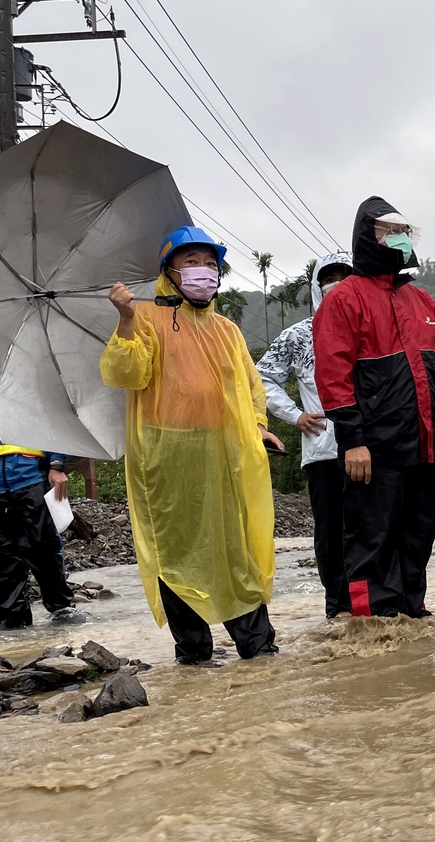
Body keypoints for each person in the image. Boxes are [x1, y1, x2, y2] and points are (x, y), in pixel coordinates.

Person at [101, 226, 281, 664]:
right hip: (165, 456)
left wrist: (258, 427)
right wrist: (125, 319)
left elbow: (249, 389)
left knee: (235, 546)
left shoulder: (227, 330)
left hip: (224, 454)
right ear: (170, 272)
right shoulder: (144, 317)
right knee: (175, 549)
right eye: (191, 262)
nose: (204, 271)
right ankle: (195, 653)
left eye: (210, 263)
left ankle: (258, 649)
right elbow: (126, 375)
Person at [313, 197, 435, 619]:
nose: (398, 240)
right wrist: (353, 440)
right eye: (388, 232)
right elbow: (333, 376)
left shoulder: (424, 301)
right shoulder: (343, 300)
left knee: (418, 534)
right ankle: (371, 624)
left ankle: (411, 616)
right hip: (373, 450)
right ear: (368, 237)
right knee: (370, 538)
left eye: (402, 232)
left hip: (423, 443)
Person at [257, 252, 354, 619]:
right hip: (324, 448)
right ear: (317, 286)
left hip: (376, 447)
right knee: (331, 533)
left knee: (375, 528)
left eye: (347, 274)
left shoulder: (373, 329)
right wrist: (295, 414)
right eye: (330, 276)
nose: (339, 282)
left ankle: (375, 603)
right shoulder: (299, 335)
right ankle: (339, 608)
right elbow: (262, 377)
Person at [0, 381, 79, 629]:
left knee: (43, 547)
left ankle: (61, 610)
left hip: (30, 477)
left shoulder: (26, 375)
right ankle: (13, 622)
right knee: (1, 555)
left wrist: (56, 464)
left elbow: (52, 421)